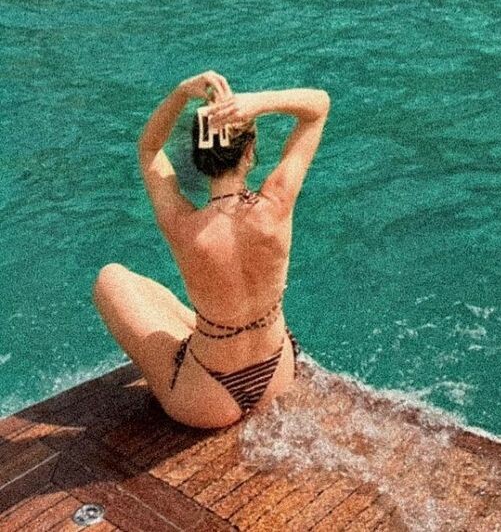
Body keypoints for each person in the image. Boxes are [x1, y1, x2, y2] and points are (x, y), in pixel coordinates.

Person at [92, 71, 330, 428]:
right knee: (172, 307)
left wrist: (180, 93)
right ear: (248, 152)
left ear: (198, 157)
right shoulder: (277, 203)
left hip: (207, 397)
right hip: (278, 374)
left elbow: (148, 148)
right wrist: (256, 103)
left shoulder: (184, 224)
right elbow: (318, 106)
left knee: (111, 278)